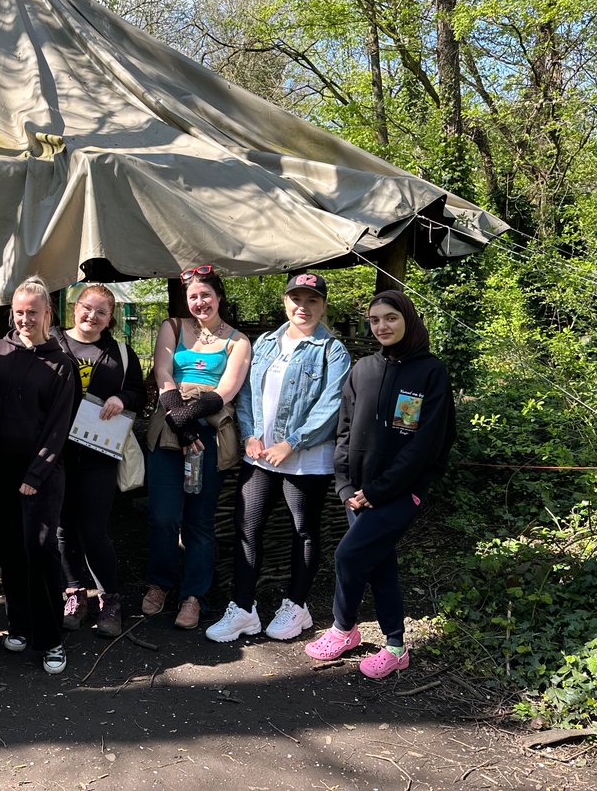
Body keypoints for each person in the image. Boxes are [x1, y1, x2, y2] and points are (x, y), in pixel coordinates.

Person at [305, 290, 455, 678]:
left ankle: (343, 627)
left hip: (400, 492)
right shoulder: (363, 370)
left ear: (407, 318)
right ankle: (395, 646)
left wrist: (379, 491)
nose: (382, 326)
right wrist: (344, 487)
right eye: (374, 320)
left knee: (349, 556)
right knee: (380, 563)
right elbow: (343, 431)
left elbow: (425, 444)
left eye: (390, 318)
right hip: (357, 493)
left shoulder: (430, 372)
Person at [206, 273, 351, 643]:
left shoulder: (332, 351)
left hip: (305, 459)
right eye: (296, 299)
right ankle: (243, 609)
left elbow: (331, 406)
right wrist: (251, 435)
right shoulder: (267, 343)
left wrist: (293, 442)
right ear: (285, 301)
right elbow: (248, 395)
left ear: (323, 305)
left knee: (303, 530)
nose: (303, 307)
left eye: (312, 301)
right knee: (246, 526)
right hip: (260, 458)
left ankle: (296, 606)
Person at [143, 265, 251, 630]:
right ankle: (160, 583)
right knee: (162, 515)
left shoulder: (238, 341)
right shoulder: (172, 327)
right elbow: (162, 372)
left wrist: (193, 418)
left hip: (209, 431)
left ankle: (194, 595)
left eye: (206, 295)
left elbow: (227, 389)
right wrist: (178, 414)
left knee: (199, 520)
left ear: (219, 297)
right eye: (193, 297)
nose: (200, 302)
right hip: (170, 429)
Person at [0, 276, 77, 674]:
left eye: (32, 312)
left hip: (41, 472)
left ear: (47, 314)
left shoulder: (61, 362)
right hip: (0, 471)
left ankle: (51, 637)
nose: (25, 319)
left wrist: (36, 472)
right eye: (19, 312)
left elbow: (59, 426)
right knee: (9, 550)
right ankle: (19, 624)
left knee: (41, 549)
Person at [54, 284, 146, 638]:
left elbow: (139, 391)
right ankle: (74, 594)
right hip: (57, 455)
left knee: (94, 529)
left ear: (110, 319)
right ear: (75, 308)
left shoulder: (120, 353)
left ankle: (110, 600)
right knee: (63, 530)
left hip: (99, 453)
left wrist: (122, 399)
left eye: (101, 312)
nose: (92, 316)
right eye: (86, 308)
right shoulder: (52, 343)